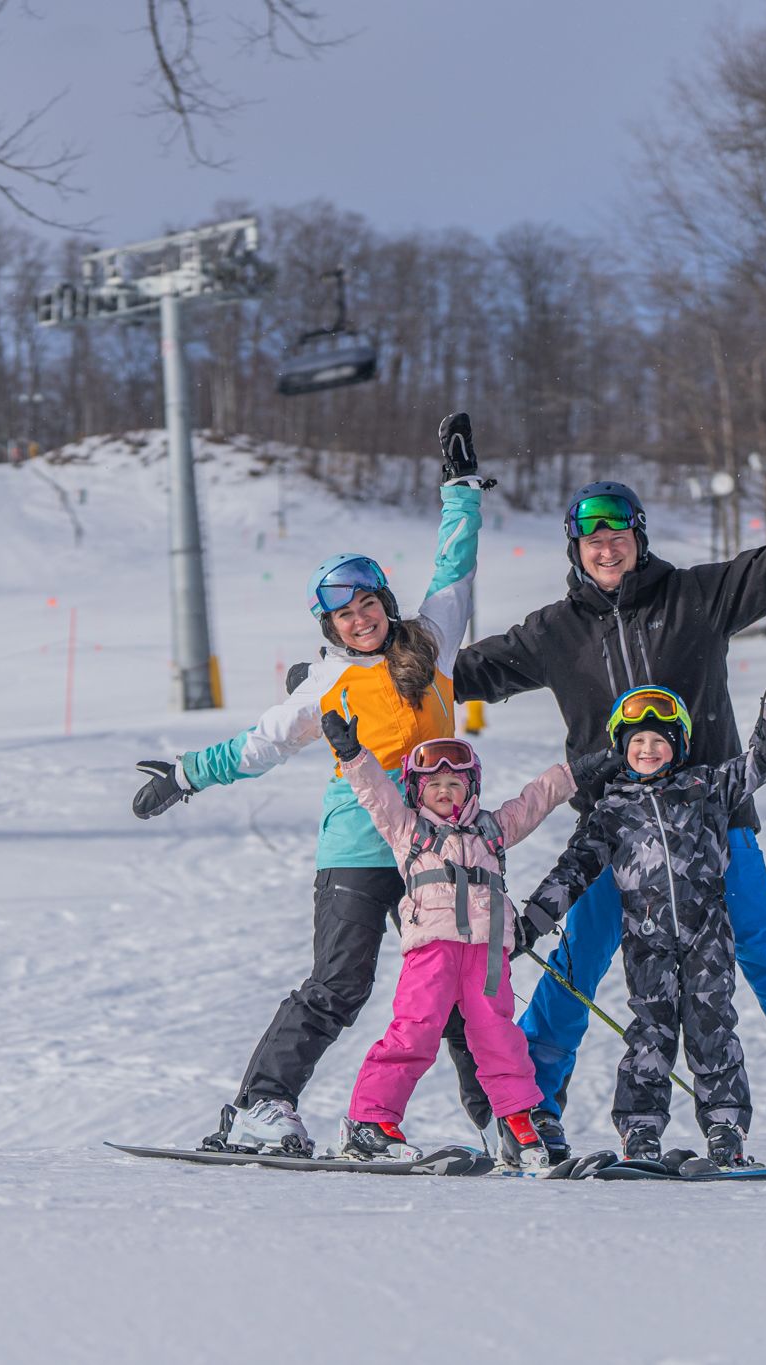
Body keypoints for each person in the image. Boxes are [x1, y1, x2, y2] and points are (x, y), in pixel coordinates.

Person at [452, 430, 766, 1165]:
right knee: (569, 973)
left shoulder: (696, 599)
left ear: (638, 539)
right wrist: (345, 678)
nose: (606, 547)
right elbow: (449, 677)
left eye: (618, 533)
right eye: (592, 538)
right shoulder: (553, 632)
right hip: (612, 837)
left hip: (713, 826)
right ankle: (527, 1115)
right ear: (573, 549)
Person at [129, 413, 492, 1156]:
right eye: (343, 614)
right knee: (340, 983)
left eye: (367, 604)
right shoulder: (325, 684)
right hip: (360, 845)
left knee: (461, 985)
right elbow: (261, 745)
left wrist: (459, 490)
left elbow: (457, 563)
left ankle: (507, 1119)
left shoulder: (433, 641)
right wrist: (186, 775)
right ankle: (261, 1106)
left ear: (384, 600)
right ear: (329, 626)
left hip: (435, 847)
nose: (360, 620)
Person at [518, 674, 766, 1169]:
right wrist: (531, 922)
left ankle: (725, 1128)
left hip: (707, 936)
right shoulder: (610, 810)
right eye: (638, 741)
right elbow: (574, 869)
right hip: (647, 943)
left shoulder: (705, 788)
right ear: (621, 747)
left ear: (678, 746)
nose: (648, 749)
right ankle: (641, 1132)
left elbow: (759, 762)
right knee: (650, 1034)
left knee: (711, 1026)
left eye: (659, 740)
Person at [325, 717, 608, 1168]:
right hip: (432, 953)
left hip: (486, 956)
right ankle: (370, 1121)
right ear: (417, 791)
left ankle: (517, 1123)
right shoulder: (408, 831)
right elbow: (375, 794)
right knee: (414, 1031)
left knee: (500, 1038)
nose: (444, 791)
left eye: (454, 783)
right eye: (433, 783)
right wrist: (352, 754)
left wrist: (577, 772)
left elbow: (536, 800)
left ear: (470, 788)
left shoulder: (492, 831)